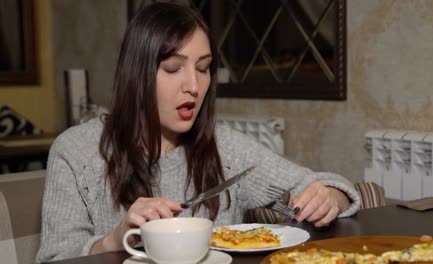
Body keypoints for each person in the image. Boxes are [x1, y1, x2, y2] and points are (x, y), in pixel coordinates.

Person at [36, 2, 361, 263]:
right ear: (136, 73)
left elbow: (326, 186)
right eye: (173, 69)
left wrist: (330, 196)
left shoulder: (225, 147)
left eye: (203, 68)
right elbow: (56, 256)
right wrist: (116, 237)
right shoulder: (76, 150)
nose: (193, 86)